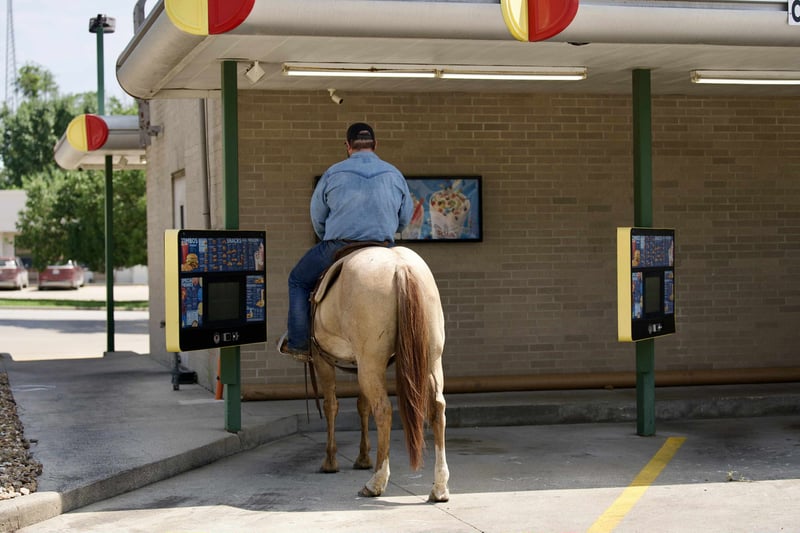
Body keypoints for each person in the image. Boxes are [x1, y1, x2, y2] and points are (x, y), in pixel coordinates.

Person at [277, 122, 414, 361]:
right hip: (383, 246)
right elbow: (404, 220)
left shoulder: (333, 173)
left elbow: (318, 218)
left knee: (297, 280)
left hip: (340, 246)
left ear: (348, 146)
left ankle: (299, 343)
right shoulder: (394, 174)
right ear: (375, 144)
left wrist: (327, 235)